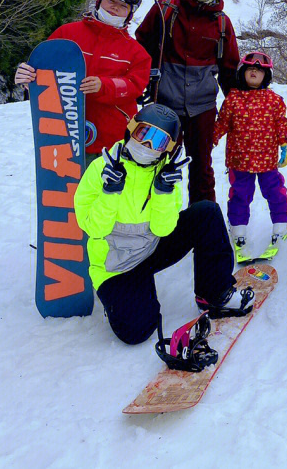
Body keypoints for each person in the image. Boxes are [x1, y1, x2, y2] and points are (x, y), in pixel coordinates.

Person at [74, 104, 253, 345]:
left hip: (152, 247)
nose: (147, 146)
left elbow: (163, 229)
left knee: (206, 212)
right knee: (136, 332)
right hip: (117, 263)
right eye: (143, 134)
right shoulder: (101, 169)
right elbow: (93, 229)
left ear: (167, 149)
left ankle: (214, 292)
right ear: (131, 130)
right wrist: (109, 193)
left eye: (158, 141)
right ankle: (119, 300)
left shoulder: (166, 173)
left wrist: (163, 192)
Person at [135, 0, 240, 205]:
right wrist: (137, 85)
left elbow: (229, 70)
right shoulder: (165, 10)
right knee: (156, 163)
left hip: (201, 108)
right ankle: (151, 223)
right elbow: (139, 51)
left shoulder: (221, 24)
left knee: (201, 169)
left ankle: (204, 225)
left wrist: (239, 106)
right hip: (164, 105)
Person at [14, 0, 151, 167]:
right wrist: (29, 78)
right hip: (63, 134)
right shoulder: (67, 34)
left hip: (109, 141)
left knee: (100, 195)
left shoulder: (136, 52)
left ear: (129, 14)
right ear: (100, 0)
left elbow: (135, 85)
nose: (115, 7)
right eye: (111, 1)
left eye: (123, 6)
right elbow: (45, 68)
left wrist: (105, 86)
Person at [212, 51, 287, 260]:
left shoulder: (274, 100)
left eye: (259, 70)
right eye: (250, 69)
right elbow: (221, 124)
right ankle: (238, 231)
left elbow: (281, 123)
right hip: (240, 161)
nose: (255, 72)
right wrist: (208, 140)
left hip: (267, 161)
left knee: (275, 192)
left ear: (267, 76)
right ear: (242, 74)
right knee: (240, 196)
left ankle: (281, 224)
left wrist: (286, 143)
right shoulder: (232, 99)